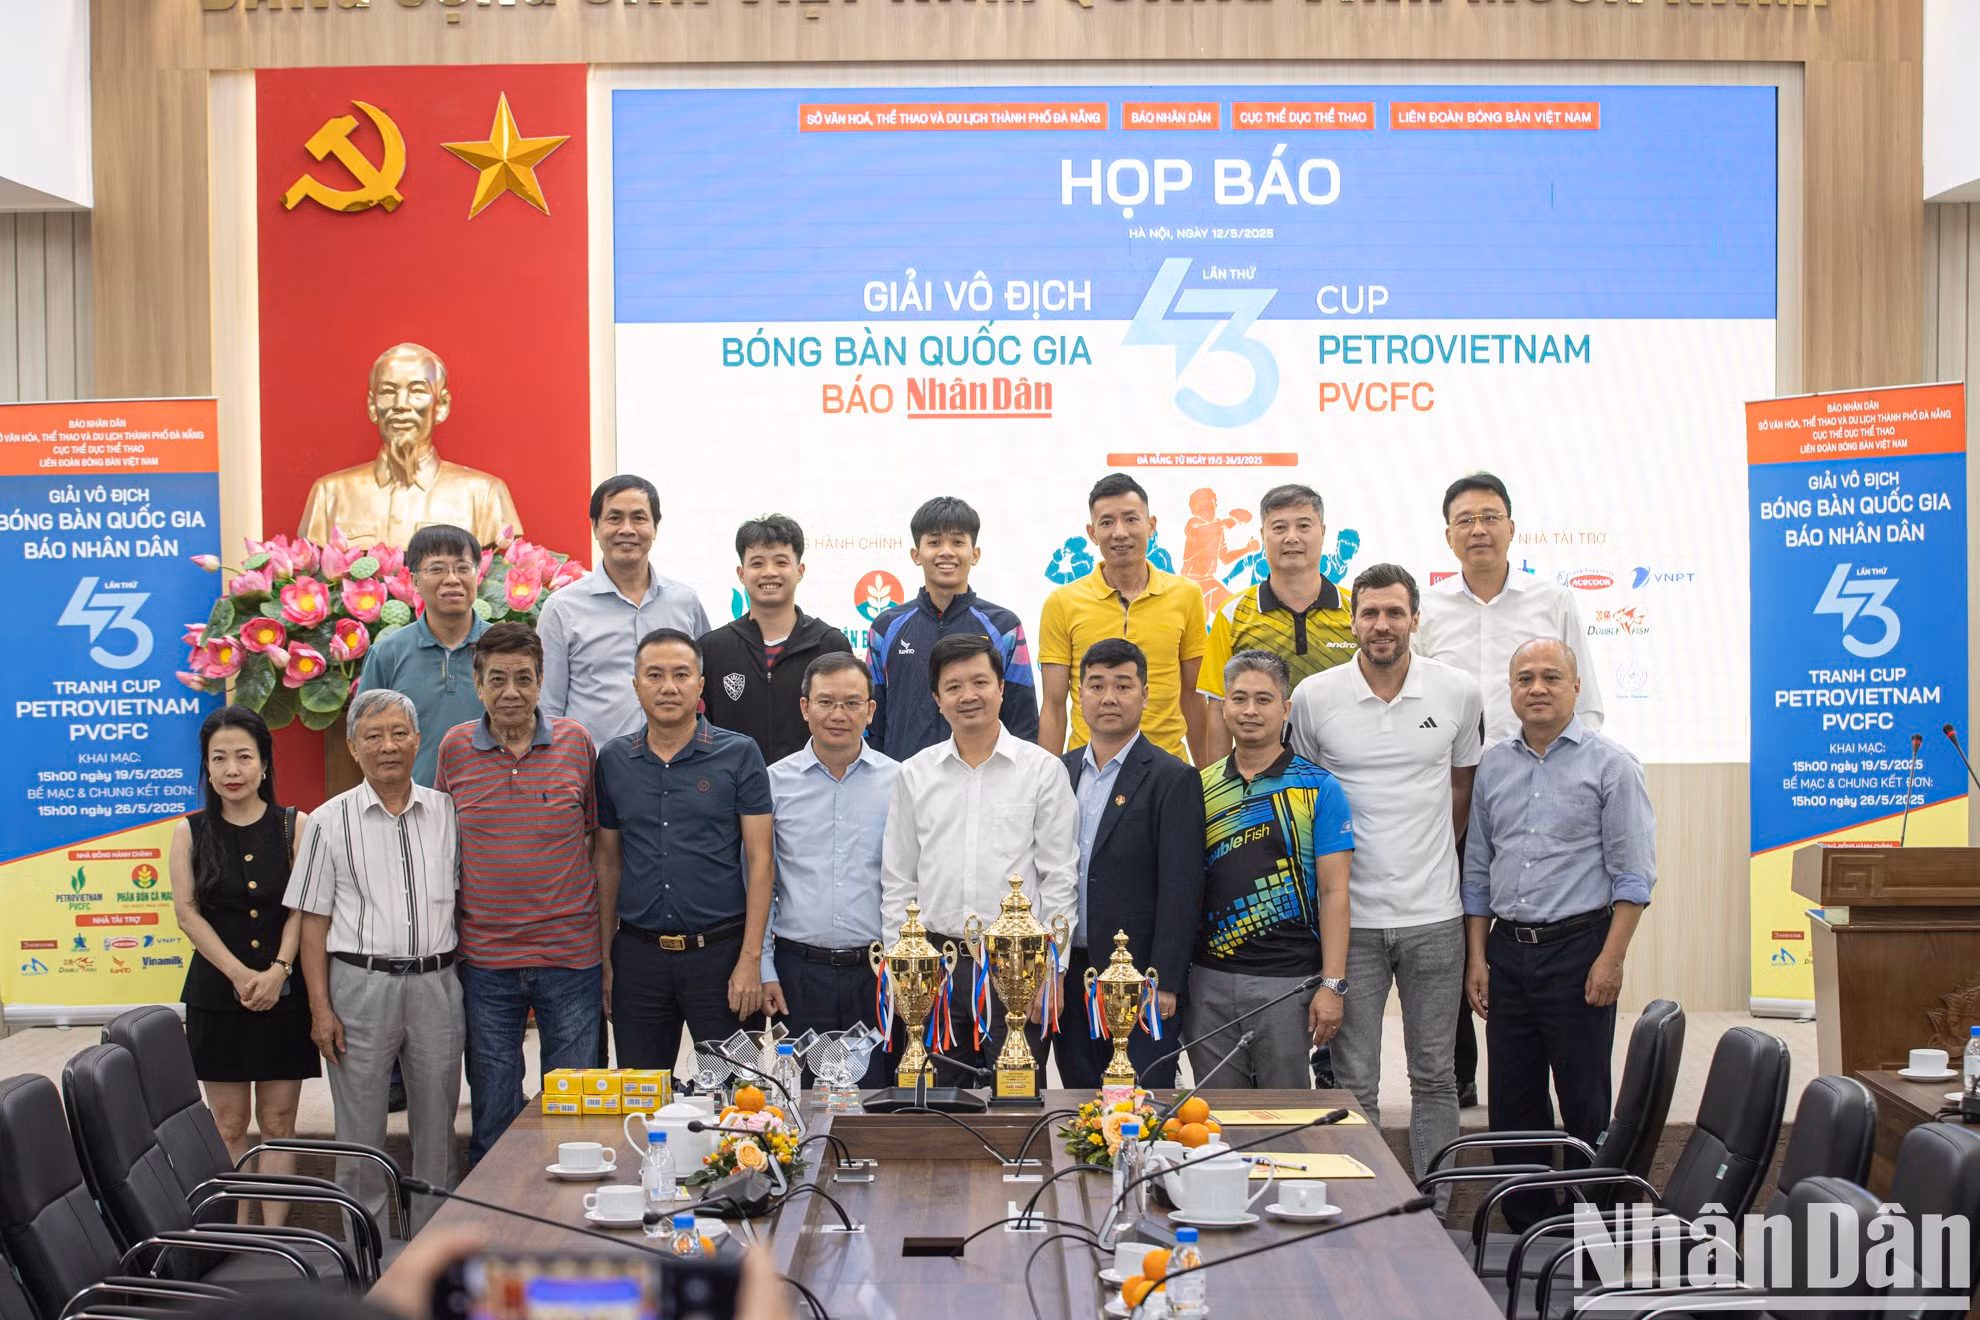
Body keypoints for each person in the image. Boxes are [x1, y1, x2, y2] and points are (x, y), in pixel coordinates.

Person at [1289, 563, 1482, 1190]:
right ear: (1353, 621)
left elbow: (1462, 789)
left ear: (1416, 619)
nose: (1382, 625)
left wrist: (1424, 855)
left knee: (1435, 1076)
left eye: (1394, 613)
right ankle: (1367, 1207)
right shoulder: (1316, 697)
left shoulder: (1458, 692)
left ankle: (1438, 1207)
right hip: (1354, 925)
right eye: (1369, 613)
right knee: (1355, 1080)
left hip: (1434, 917)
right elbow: (1312, 799)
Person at [1416, 472, 1603, 1109]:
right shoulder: (1429, 610)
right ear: (1448, 535)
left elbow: (1590, 700)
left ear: (1512, 528)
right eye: (1464, 519)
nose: (1478, 529)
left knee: (1539, 915)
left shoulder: (1551, 600)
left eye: (1490, 517)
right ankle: (1460, 1068)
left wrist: (1572, 774)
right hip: (1452, 792)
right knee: (1454, 927)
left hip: (1538, 783)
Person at [1465, 638, 1654, 1228]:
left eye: (1551, 677)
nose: (1537, 688)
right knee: (1513, 1106)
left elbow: (1634, 875)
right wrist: (1477, 959)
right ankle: (1529, 1227)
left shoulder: (1611, 764)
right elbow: (1476, 869)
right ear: (1511, 692)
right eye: (1524, 679)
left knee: (1585, 1102)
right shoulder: (1493, 764)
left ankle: (1600, 1231)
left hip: (1580, 952)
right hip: (1507, 953)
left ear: (1576, 688)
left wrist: (1612, 959)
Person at [285, 689, 463, 1230]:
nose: (388, 746)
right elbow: (312, 921)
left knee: (438, 1131)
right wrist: (320, 1008)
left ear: (417, 740)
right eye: (373, 736)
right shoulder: (325, 821)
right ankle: (366, 1261)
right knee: (358, 1135)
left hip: (438, 984)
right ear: (353, 747)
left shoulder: (447, 811)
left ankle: (433, 1252)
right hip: (359, 987)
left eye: (398, 733)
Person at [434, 622, 603, 1167]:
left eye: (524, 679)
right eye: (498, 679)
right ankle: (494, 1220)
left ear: (541, 682)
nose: (512, 692)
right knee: (493, 1107)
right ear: (477, 685)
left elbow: (596, 838)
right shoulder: (455, 749)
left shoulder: (576, 743)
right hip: (486, 961)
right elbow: (442, 845)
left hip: (570, 955)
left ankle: (572, 1224)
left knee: (574, 1107)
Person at [881, 633, 1079, 1087]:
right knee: (937, 1112)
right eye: (953, 686)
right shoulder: (914, 774)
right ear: (936, 698)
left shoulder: (1041, 770)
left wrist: (1055, 969)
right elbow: (898, 881)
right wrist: (900, 967)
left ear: (1002, 688)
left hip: (1018, 968)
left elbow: (1059, 878)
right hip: (936, 965)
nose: (968, 696)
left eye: (980, 682)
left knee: (1017, 1108)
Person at [593, 628, 773, 1070]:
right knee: (642, 1096)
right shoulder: (613, 760)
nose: (668, 687)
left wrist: (751, 959)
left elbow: (762, 861)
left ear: (701, 683)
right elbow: (608, 862)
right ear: (636, 685)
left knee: (735, 1100)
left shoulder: (739, 754)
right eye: (654, 675)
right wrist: (605, 959)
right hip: (638, 959)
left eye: (681, 674)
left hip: (722, 955)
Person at [169, 705, 317, 1225]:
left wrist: (279, 970)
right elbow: (187, 913)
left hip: (284, 994)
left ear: (264, 765)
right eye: (220, 759)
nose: (232, 770)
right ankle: (237, 1233)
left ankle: (273, 1235)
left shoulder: (293, 825)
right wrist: (239, 974)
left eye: (243, 757)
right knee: (229, 1125)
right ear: (206, 769)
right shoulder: (189, 831)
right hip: (217, 995)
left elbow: (305, 905)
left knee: (278, 1121)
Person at [1186, 650, 1352, 1090]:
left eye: (1264, 699)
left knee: (1284, 1117)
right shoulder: (1198, 788)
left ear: (1285, 708)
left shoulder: (1318, 788)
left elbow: (1336, 892)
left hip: (1288, 982)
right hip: (1208, 984)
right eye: (1238, 698)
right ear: (1223, 706)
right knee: (1215, 1121)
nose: (1250, 711)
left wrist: (1333, 984)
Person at [1054, 639, 1207, 1090]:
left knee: (1142, 1108)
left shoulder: (1172, 777)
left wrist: (1165, 981)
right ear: (1077, 695)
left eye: (1123, 685)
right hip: (1070, 976)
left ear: (1145, 694)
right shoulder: (1056, 773)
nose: (1108, 698)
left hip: (1140, 981)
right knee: (1079, 1106)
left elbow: (1182, 888)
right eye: (1096, 685)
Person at [757, 652, 899, 1087]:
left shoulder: (902, 781)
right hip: (798, 973)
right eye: (826, 702)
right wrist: (764, 967)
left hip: (877, 973)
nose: (839, 714)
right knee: (803, 1109)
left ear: (870, 711)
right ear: (805, 708)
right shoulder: (774, 782)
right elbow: (761, 879)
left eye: (853, 703)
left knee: (878, 1106)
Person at [1039, 473, 1208, 765]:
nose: (1120, 532)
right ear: (1092, 533)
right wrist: (1046, 787)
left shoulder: (1187, 595)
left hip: (1168, 770)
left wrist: (1210, 781)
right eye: (1107, 522)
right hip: (1089, 769)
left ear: (1150, 525)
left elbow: (1194, 698)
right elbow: (1054, 706)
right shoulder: (1062, 602)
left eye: (1131, 519)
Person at [298, 341, 522, 551]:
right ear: (373, 406)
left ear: (441, 405)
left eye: (417, 391)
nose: (400, 405)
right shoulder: (329, 494)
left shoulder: (484, 495)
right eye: (388, 392)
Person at [539, 475, 711, 746]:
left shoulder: (685, 602)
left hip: (677, 767)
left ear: (655, 527)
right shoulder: (562, 608)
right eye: (615, 518)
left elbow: (703, 688)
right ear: (595, 526)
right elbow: (548, 706)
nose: (627, 529)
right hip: (593, 772)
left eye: (639, 518)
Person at [865, 495, 1038, 760]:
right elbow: (872, 721)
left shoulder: (1004, 626)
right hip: (904, 782)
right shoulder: (885, 627)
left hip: (985, 781)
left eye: (958, 542)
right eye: (934, 542)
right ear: (916, 554)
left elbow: (1022, 721)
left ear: (975, 554)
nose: (946, 551)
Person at [1199, 484, 1357, 764]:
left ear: (1322, 531)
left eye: (1304, 526)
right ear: (1262, 536)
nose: (1291, 538)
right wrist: (1217, 795)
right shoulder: (1233, 613)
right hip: (1261, 786)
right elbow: (1218, 708)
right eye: (1279, 527)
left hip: (1346, 775)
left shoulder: (1356, 611)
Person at [699, 514, 853, 765]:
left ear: (800, 571)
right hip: (734, 793)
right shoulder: (713, 648)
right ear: (741, 573)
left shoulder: (829, 644)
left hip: (810, 790)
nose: (769, 573)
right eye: (757, 563)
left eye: (781, 562)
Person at [355, 523, 488, 787]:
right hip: (412, 809)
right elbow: (365, 737)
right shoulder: (387, 654)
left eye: (463, 568)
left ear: (477, 576)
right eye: (437, 569)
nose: (452, 579)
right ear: (414, 581)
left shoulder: (502, 648)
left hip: (489, 806)